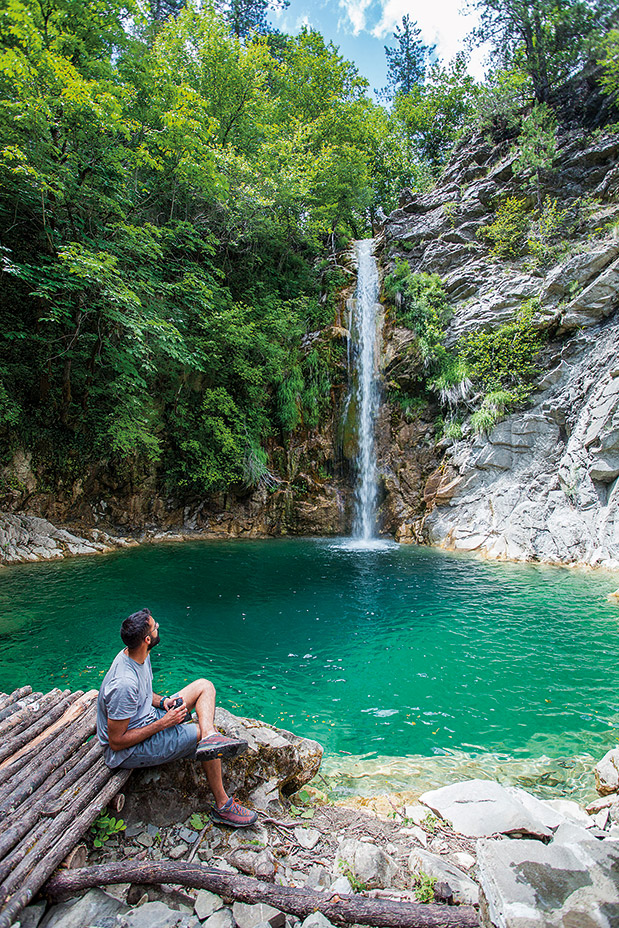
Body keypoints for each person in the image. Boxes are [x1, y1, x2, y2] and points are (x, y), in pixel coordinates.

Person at [96, 608, 257, 828]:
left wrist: (163, 703)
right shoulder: (123, 684)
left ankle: (211, 736)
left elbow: (141, 694)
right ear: (147, 639)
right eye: (154, 627)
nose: (158, 627)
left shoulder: (136, 654)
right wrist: (164, 722)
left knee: (204, 686)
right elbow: (116, 742)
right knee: (199, 736)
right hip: (128, 751)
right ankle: (223, 806)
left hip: (148, 718)